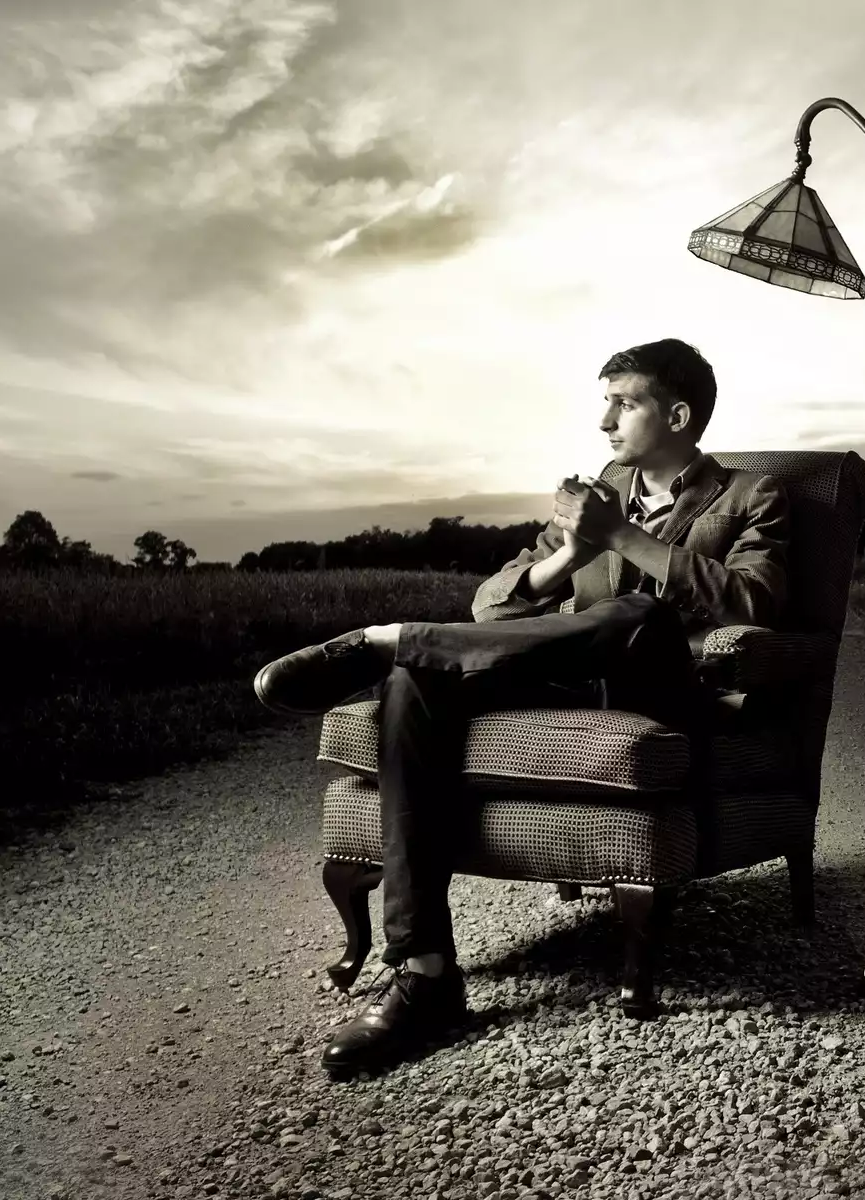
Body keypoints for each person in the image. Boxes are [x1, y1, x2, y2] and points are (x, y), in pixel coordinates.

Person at [251, 338, 792, 1076]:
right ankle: (426, 975)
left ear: (676, 415)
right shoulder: (597, 493)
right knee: (416, 680)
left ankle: (390, 640)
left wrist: (622, 537)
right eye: (604, 402)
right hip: (570, 676)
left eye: (624, 403)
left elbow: (755, 601)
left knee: (640, 613)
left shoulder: (752, 495)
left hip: (666, 683)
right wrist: (572, 553)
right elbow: (491, 605)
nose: (604, 421)